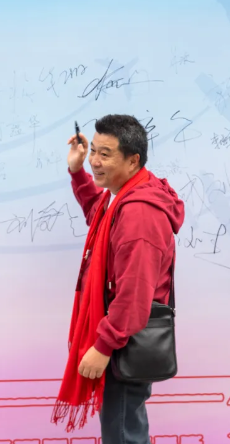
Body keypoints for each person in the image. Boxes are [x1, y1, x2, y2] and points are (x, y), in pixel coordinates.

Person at [51, 115, 184, 443]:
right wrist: (77, 171)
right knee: (124, 429)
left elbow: (134, 294)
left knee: (123, 434)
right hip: (121, 337)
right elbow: (98, 216)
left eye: (105, 154)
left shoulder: (139, 213)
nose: (95, 160)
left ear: (133, 160)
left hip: (123, 343)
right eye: (93, 151)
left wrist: (103, 346)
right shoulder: (125, 195)